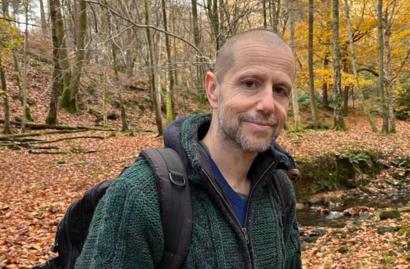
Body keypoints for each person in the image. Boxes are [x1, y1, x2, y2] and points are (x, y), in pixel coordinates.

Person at [75, 29, 302, 269]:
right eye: (249, 84)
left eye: (280, 90)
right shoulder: (141, 194)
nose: (268, 104)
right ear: (213, 90)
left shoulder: (279, 189)